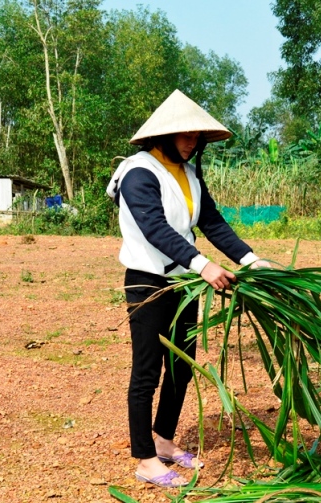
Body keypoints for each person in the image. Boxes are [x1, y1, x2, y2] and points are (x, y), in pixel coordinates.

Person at [107, 89, 268, 488]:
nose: (192, 141)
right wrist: (204, 264)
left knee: (181, 364)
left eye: (197, 136)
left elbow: (211, 223)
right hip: (148, 281)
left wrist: (252, 260)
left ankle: (163, 440)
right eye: (186, 134)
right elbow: (155, 228)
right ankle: (144, 458)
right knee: (147, 368)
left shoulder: (191, 175)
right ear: (163, 135)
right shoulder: (137, 171)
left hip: (184, 281)